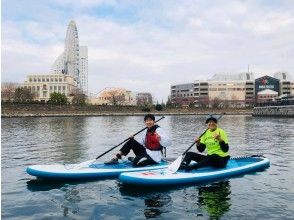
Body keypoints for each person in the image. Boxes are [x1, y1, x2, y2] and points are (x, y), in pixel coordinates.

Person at [104, 114, 171, 167]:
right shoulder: (146, 131)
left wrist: (160, 139)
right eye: (147, 121)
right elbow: (139, 143)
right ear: (145, 122)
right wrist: (133, 139)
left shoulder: (159, 130)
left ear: (154, 121)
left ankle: (135, 159)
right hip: (147, 152)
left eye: (150, 120)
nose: (149, 122)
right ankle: (116, 158)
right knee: (131, 141)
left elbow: (169, 143)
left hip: (155, 157)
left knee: (136, 163)